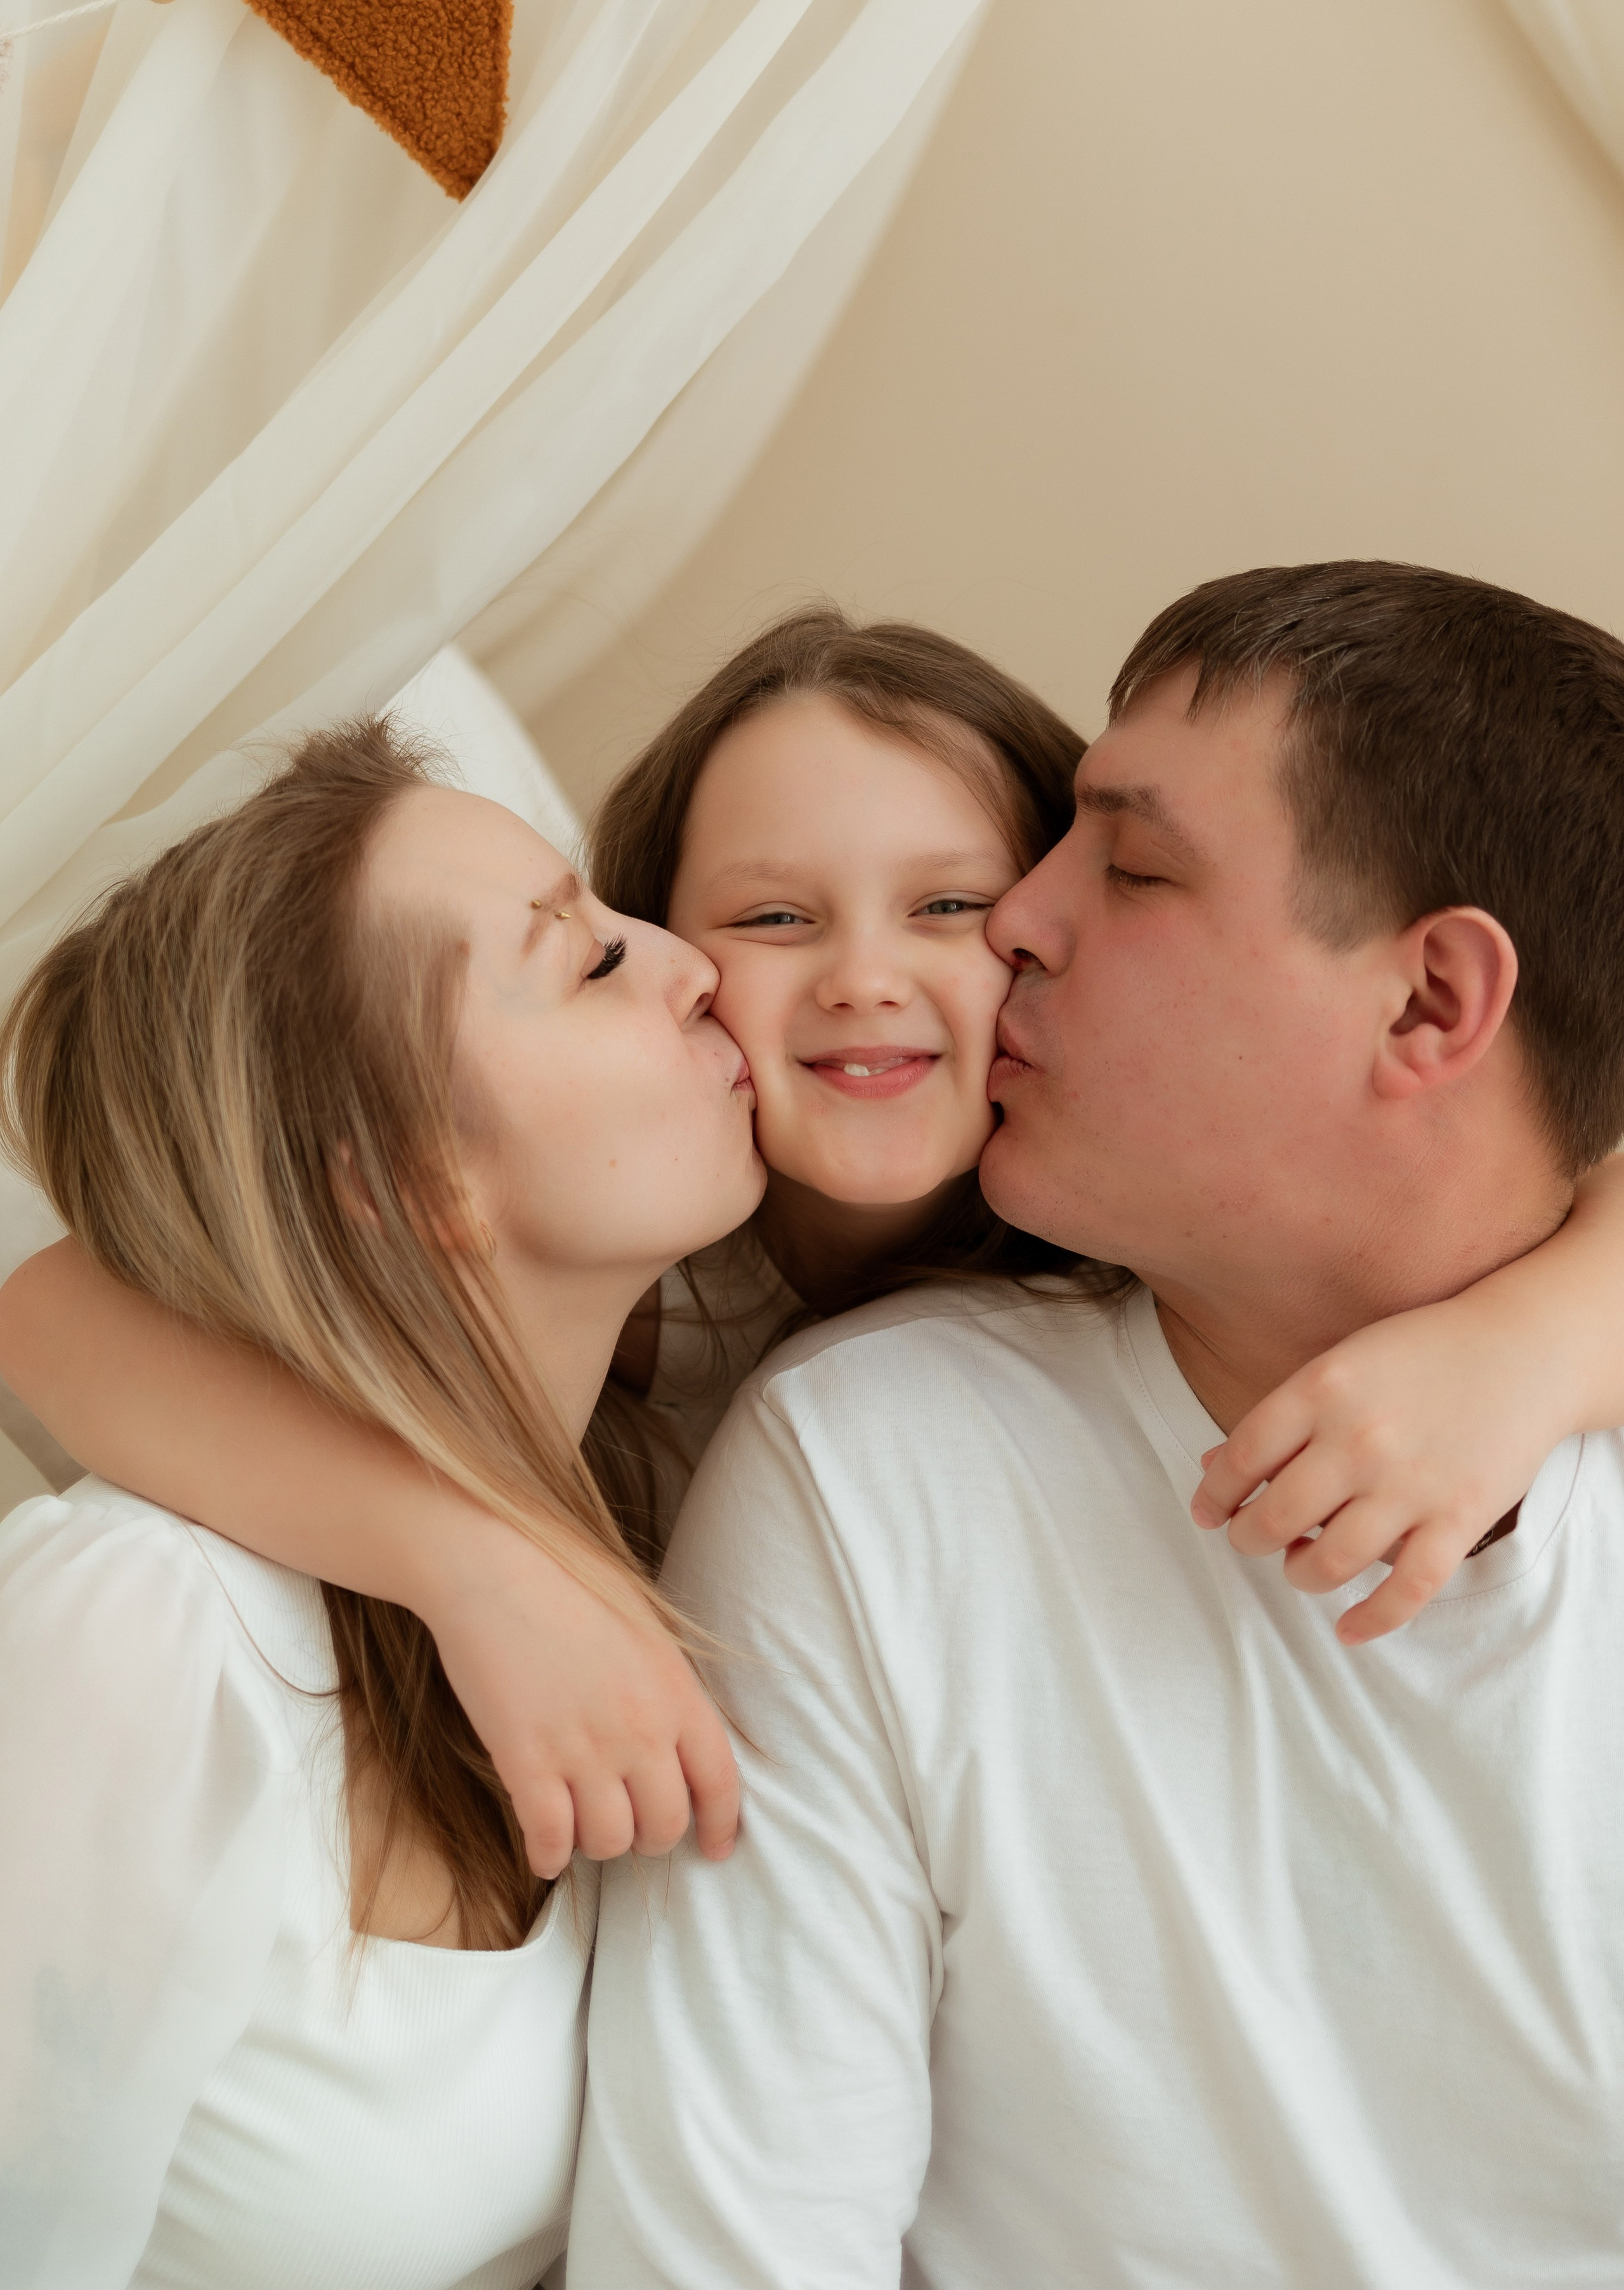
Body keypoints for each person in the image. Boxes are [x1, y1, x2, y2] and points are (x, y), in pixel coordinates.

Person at [4, 612, 1624, 1882]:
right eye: (771, 920)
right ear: (665, 954)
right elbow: (42, 1311)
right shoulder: (638, 1292)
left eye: (949, 908)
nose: (859, 976)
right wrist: (479, 1562)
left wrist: (1532, 1341)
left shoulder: (1167, 1249)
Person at [565, 562, 1624, 2289]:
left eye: (1128, 868)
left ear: (1431, 1004)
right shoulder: (864, 1466)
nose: (1014, 929)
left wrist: (1532, 1345)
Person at [0, 718, 762, 2289]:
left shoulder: (689, 1493)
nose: (688, 963)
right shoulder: (147, 1637)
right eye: (589, 960)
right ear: (404, 1177)